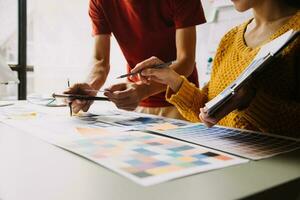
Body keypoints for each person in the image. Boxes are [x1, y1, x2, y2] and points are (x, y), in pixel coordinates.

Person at [131, 0, 300, 137]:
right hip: (228, 167)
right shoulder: (230, 39)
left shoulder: (296, 30)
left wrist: (250, 101)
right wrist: (172, 79)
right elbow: (206, 107)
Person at [65, 0, 206, 119]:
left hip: (181, 103)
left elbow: (186, 61)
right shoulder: (99, 2)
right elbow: (100, 60)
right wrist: (89, 88)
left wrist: (143, 90)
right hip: (134, 105)